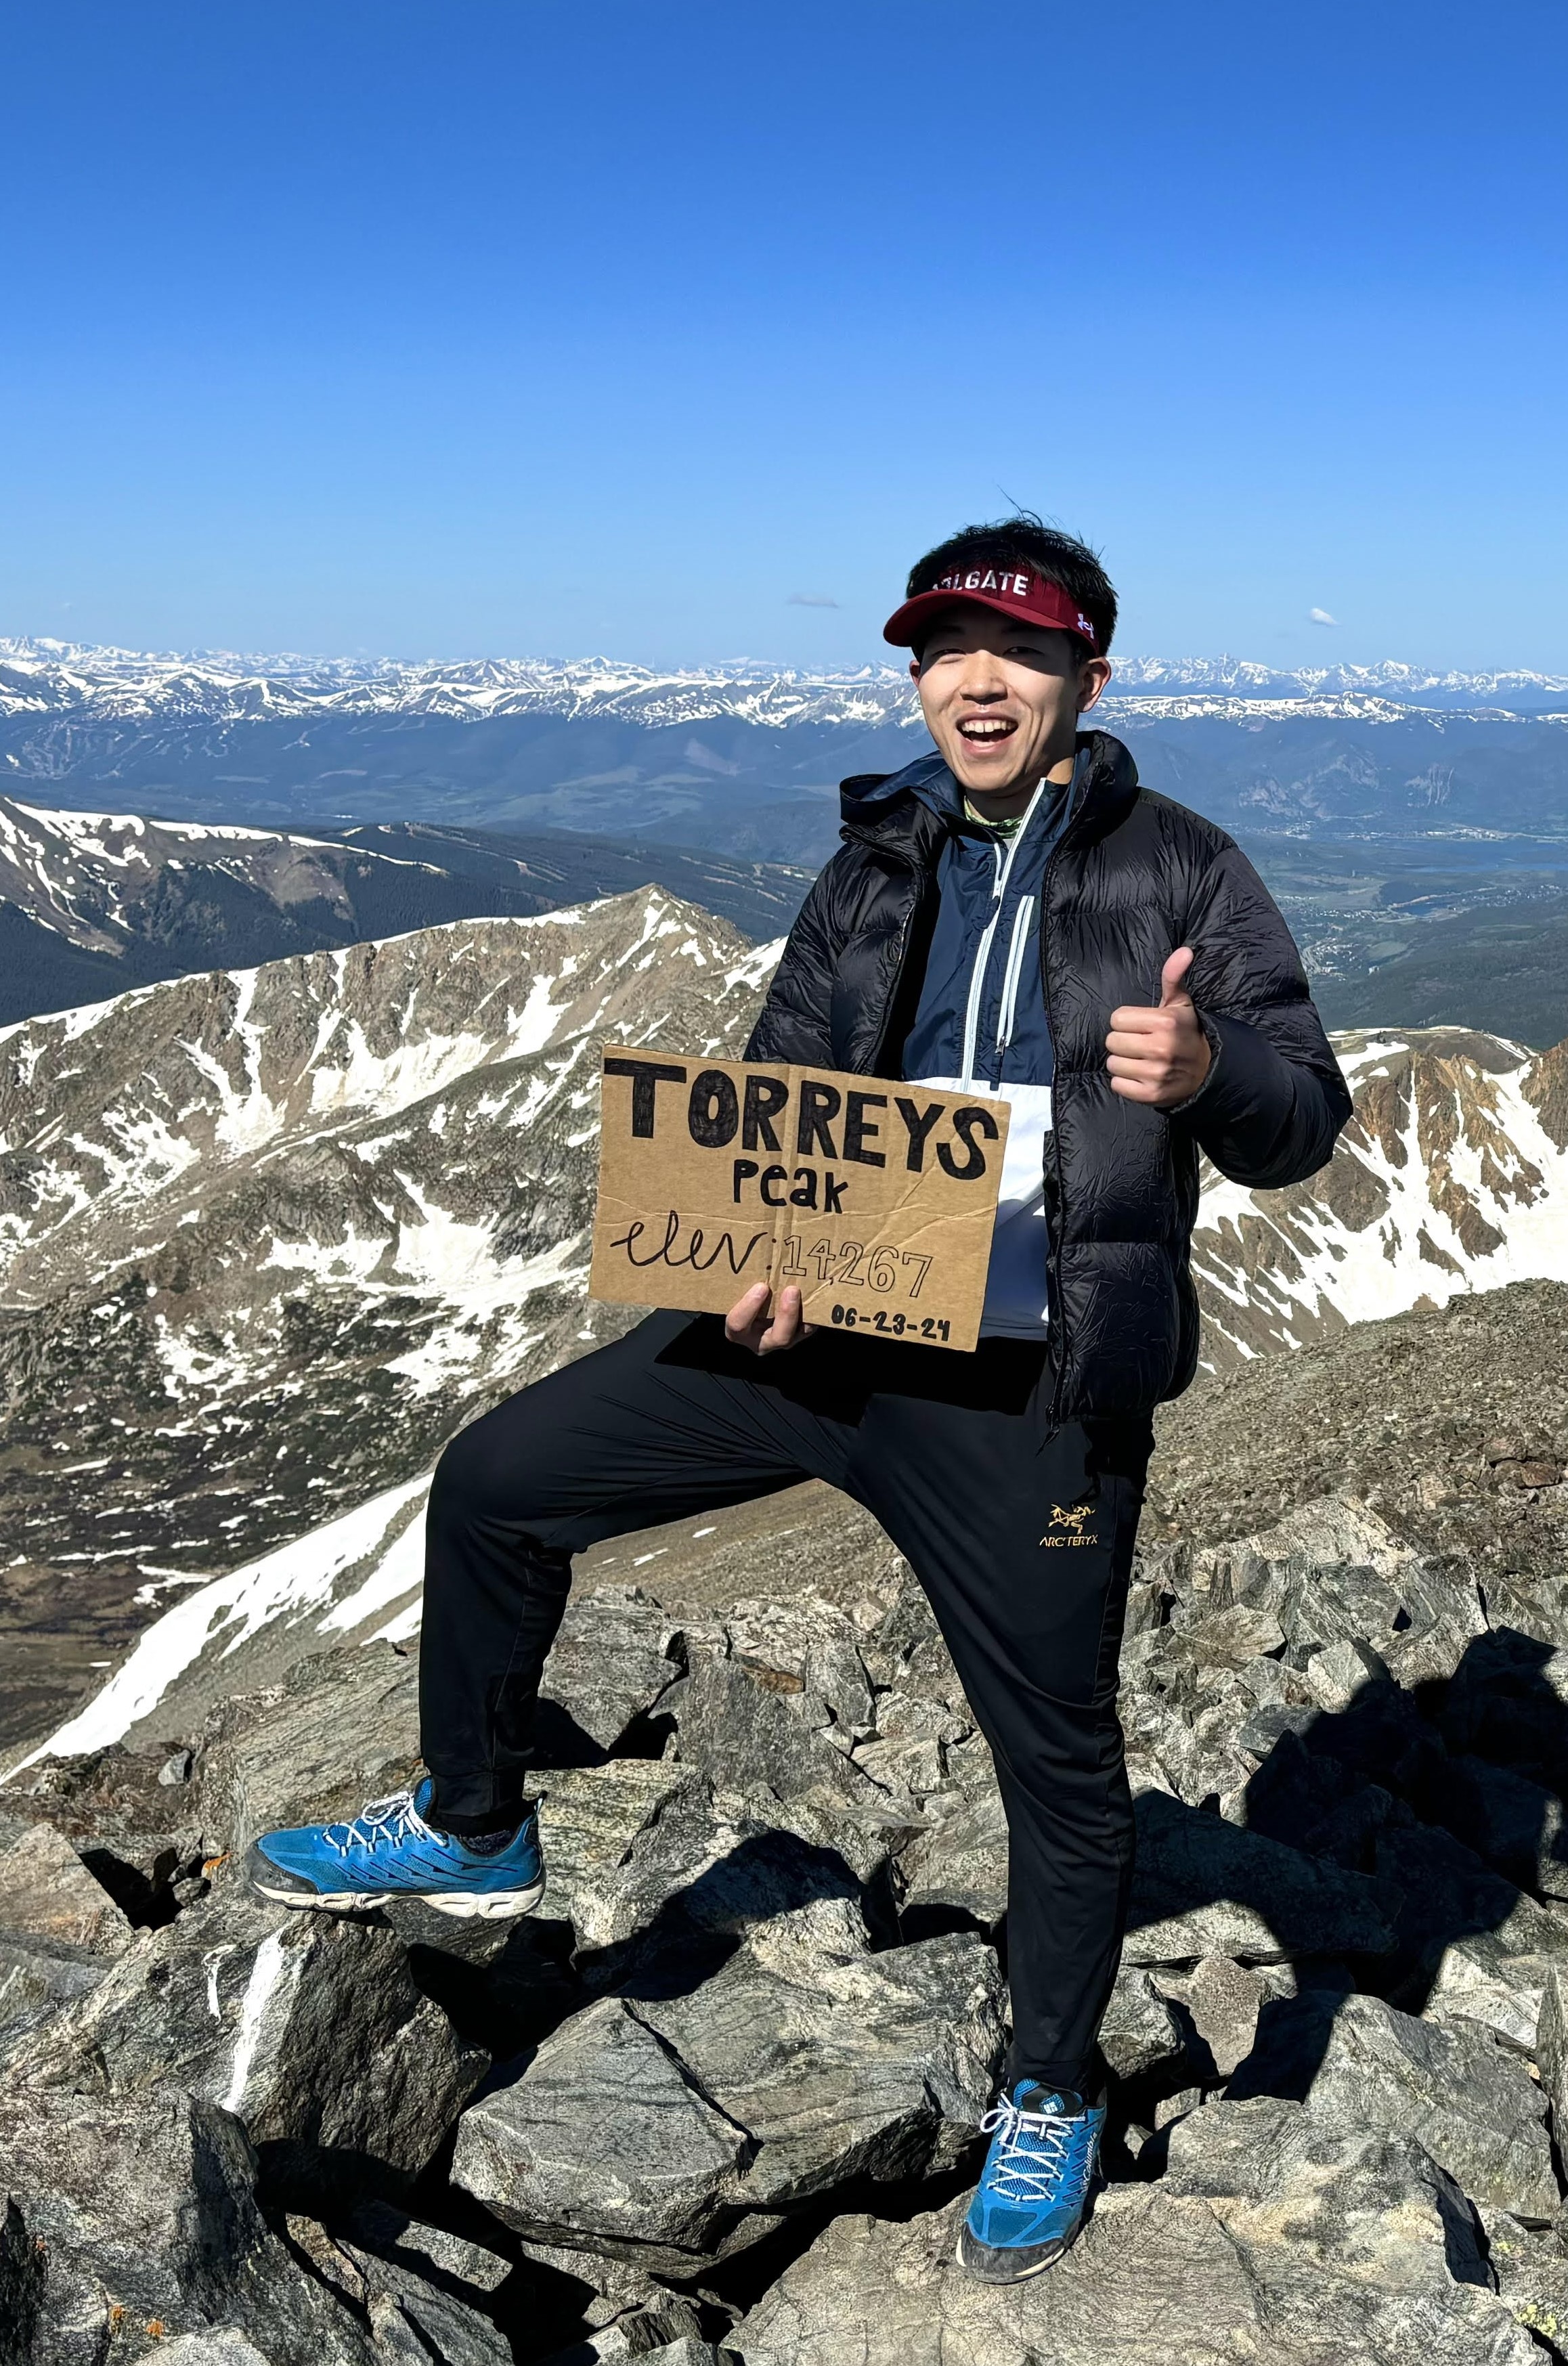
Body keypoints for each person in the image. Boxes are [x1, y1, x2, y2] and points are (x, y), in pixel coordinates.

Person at [247, 517, 1351, 2283]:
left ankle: (1047, 2088)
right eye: (941, 649)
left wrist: (1212, 1072)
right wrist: (753, 1230)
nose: (974, 680)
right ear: (915, 673)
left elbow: (1306, 1123)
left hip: (1031, 1377)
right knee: (500, 1480)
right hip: (825, 1319)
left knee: (1054, 1763)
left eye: (1018, 650)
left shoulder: (1183, 874)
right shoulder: (877, 857)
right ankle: (473, 1819)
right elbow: (783, 1081)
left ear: (1090, 675)